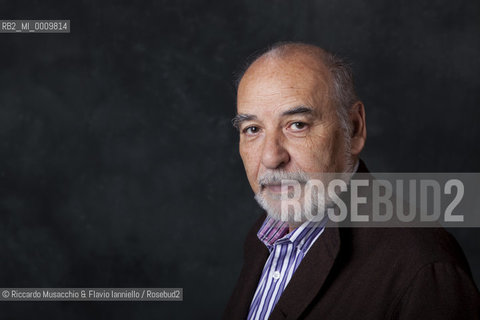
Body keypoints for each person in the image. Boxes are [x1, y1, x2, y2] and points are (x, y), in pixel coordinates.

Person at [223, 42, 480, 320]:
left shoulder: (424, 266)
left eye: (297, 124)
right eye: (252, 129)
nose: (271, 157)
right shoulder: (263, 237)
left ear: (354, 129)